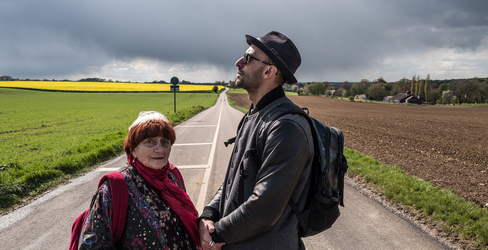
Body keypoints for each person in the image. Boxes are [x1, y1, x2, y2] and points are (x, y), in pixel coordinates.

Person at [199, 31, 314, 250]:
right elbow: (233, 181)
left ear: (270, 71)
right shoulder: (254, 116)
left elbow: (264, 209)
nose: (238, 62)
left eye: (248, 58)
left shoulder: (285, 127)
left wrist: (216, 235)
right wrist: (208, 216)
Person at [79, 111, 201, 249]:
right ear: (132, 149)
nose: (160, 149)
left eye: (165, 142)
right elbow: (93, 245)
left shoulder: (173, 176)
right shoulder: (113, 189)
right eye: (150, 142)